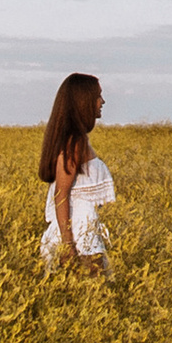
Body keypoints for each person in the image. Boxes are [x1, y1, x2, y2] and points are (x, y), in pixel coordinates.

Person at [39, 71, 114, 273]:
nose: (102, 101)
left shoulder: (77, 140)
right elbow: (60, 194)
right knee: (95, 297)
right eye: (98, 96)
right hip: (79, 234)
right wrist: (68, 246)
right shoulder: (74, 143)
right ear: (84, 102)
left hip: (82, 230)